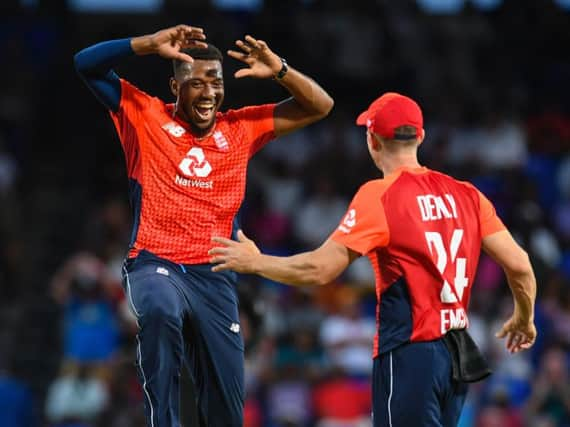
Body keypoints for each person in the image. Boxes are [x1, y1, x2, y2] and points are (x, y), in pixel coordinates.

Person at [209, 92, 537, 427]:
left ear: (372, 140)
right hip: (457, 356)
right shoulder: (469, 194)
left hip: (410, 352)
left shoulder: (379, 196)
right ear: (420, 137)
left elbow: (320, 269)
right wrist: (524, 318)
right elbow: (521, 266)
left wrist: (255, 261)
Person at [74, 24, 333, 427]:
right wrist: (146, 45)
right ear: (175, 88)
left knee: (228, 412)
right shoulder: (144, 115)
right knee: (159, 309)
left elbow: (321, 106)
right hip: (154, 261)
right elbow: (85, 65)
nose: (209, 92)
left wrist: (280, 69)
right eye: (197, 83)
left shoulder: (241, 128)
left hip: (215, 276)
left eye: (216, 82)